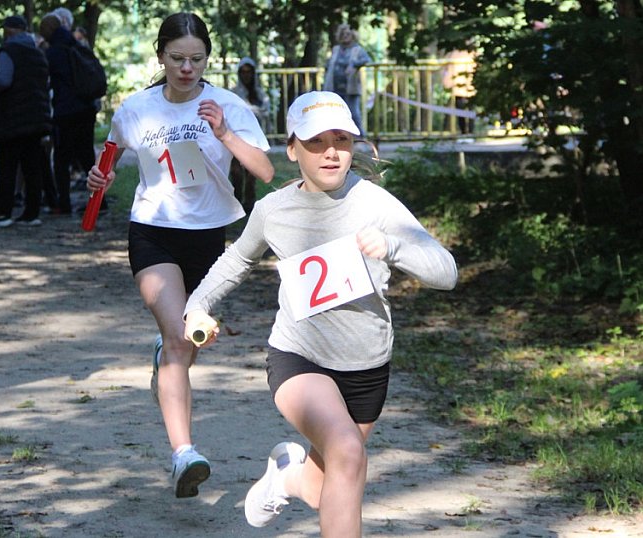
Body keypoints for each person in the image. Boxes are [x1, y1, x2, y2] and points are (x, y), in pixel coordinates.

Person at [182, 91, 458, 534]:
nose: (331, 152)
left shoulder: (375, 203)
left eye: (342, 140)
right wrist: (196, 306)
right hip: (299, 358)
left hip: (366, 365)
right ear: (292, 149)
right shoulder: (273, 210)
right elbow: (236, 260)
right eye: (315, 142)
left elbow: (446, 272)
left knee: (322, 485)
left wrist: (394, 247)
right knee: (348, 451)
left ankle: (287, 476)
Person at [86, 12, 274, 498]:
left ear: (207, 59)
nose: (187, 68)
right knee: (177, 336)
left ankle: (165, 361)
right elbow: (108, 159)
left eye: (197, 59)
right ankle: (183, 454)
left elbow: (267, 171)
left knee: (184, 345)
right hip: (152, 232)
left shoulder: (228, 105)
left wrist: (225, 134)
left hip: (210, 239)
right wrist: (98, 178)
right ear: (160, 57)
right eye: (177, 59)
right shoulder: (136, 110)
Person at [0, 14, 52, 228]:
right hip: (36, 118)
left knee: (7, 166)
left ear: (9, 31)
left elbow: (3, 80)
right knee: (32, 167)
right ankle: (32, 213)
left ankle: (3, 213)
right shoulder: (39, 54)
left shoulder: (8, 52)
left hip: (13, 119)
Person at [39, 13, 99, 215]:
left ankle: (63, 203)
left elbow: (46, 80)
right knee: (87, 157)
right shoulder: (76, 46)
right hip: (86, 108)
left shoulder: (53, 52)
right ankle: (100, 202)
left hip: (65, 111)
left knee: (61, 159)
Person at [230, 57, 270, 212]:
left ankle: (250, 202)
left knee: (252, 173)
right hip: (237, 137)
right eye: (243, 72)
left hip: (255, 138)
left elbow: (265, 111)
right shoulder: (234, 93)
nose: (246, 75)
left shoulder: (260, 93)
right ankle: (236, 201)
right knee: (236, 173)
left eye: (249, 72)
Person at [322, 24, 371, 137]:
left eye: (348, 34)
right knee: (335, 113)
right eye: (343, 34)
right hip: (334, 86)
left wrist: (354, 65)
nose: (345, 36)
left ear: (352, 36)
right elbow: (328, 64)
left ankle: (360, 137)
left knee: (354, 113)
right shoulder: (336, 49)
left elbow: (367, 59)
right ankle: (339, 137)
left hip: (350, 86)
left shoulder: (357, 49)